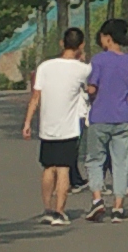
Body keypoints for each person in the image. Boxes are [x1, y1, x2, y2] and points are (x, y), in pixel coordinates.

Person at [28, 30, 92, 226]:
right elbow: (90, 90)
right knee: (63, 168)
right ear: (81, 45)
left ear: (62, 43)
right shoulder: (83, 70)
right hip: (69, 127)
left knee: (48, 168)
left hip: (47, 126)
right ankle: (59, 211)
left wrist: (27, 122)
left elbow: (36, 97)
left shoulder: (45, 67)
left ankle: (47, 209)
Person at [80, 25, 128, 219]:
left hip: (100, 115)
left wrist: (85, 89)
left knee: (95, 159)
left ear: (107, 38)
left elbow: (92, 88)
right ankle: (118, 206)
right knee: (121, 162)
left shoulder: (98, 60)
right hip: (123, 116)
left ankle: (97, 199)